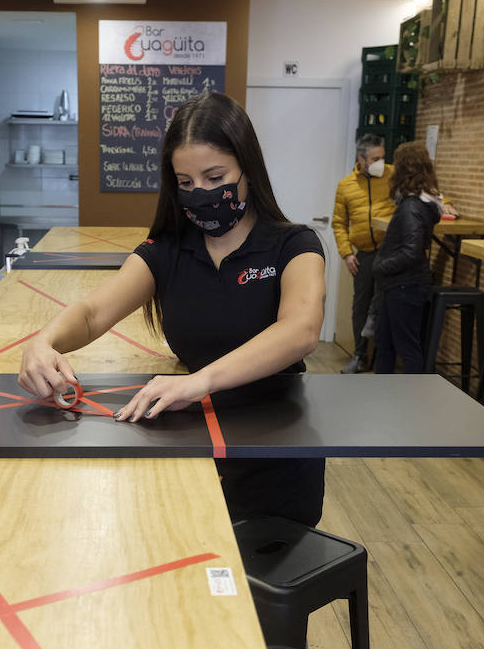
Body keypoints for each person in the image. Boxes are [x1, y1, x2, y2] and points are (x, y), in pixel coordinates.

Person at [18, 91, 327, 529]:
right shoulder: (166, 251)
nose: (199, 193)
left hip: (275, 452)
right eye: (185, 183)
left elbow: (301, 329)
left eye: (214, 176)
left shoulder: (295, 244)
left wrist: (200, 381)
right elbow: (91, 313)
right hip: (191, 446)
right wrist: (42, 342)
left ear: (248, 170)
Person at [370, 141, 443, 374]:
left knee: (405, 349)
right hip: (403, 284)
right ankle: (387, 401)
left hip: (404, 285)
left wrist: (381, 265)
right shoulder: (420, 202)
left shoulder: (411, 206)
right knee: (386, 344)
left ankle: (409, 404)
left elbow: (412, 251)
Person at [331, 133, 394, 374]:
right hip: (363, 255)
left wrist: (446, 203)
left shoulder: (393, 174)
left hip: (389, 252)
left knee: (383, 304)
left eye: (382, 157)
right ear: (362, 159)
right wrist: (347, 253)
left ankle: (385, 356)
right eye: (375, 158)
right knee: (361, 306)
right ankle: (360, 356)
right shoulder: (346, 185)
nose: (381, 162)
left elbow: (425, 190)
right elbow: (338, 223)